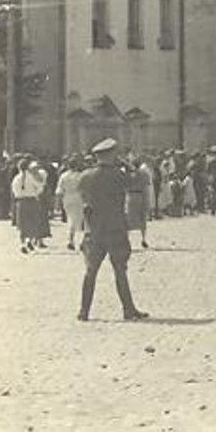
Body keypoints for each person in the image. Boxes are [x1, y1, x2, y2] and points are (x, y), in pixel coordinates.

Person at [77, 138, 148, 322]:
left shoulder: (85, 175)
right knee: (120, 271)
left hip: (93, 229)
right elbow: (140, 181)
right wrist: (130, 165)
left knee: (90, 272)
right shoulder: (118, 175)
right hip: (115, 228)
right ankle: (128, 310)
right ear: (111, 155)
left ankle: (84, 311)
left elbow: (83, 196)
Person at [10, 157, 47, 253]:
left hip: (21, 202)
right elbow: (39, 187)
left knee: (22, 224)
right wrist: (36, 192)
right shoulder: (31, 177)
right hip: (32, 201)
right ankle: (29, 241)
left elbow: (14, 191)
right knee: (32, 222)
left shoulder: (16, 178)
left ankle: (22, 243)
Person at [55, 154, 86, 250]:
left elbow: (59, 190)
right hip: (79, 197)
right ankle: (81, 241)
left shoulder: (64, 176)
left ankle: (70, 239)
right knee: (81, 220)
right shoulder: (81, 176)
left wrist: (58, 203)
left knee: (71, 218)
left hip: (67, 198)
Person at [125, 157, 150, 249]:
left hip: (130, 196)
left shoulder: (128, 175)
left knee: (129, 218)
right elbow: (146, 188)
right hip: (140, 196)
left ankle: (127, 239)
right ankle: (143, 238)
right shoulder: (144, 174)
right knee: (142, 217)